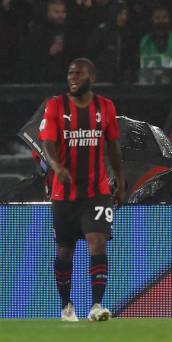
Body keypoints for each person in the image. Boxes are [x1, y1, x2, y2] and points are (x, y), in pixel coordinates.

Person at [39, 58, 125, 322]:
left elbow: (112, 146)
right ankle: (66, 307)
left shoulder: (105, 107)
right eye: (70, 73)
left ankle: (97, 305)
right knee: (65, 250)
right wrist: (56, 166)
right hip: (63, 192)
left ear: (92, 78)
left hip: (96, 191)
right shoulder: (55, 106)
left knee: (97, 242)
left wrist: (120, 180)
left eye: (79, 73)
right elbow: (48, 143)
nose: (73, 77)